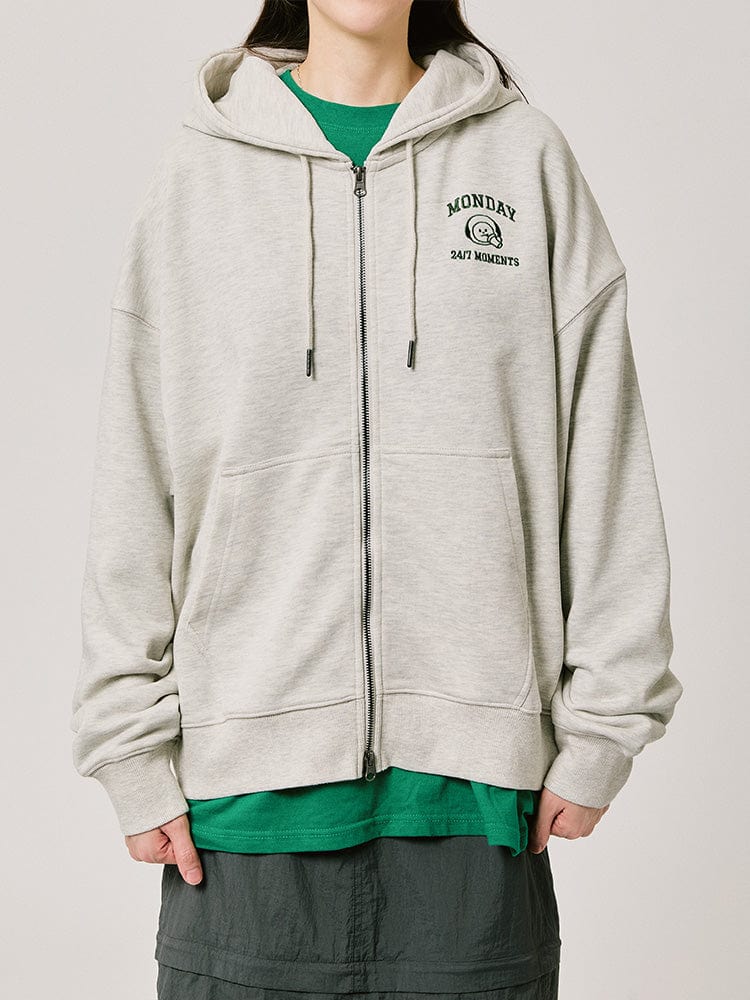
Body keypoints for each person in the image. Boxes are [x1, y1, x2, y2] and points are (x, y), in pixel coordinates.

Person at [69, 2, 684, 998]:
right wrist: (128, 749)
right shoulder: (200, 176)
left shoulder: (524, 159)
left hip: (474, 810)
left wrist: (607, 724)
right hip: (244, 813)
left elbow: (602, 451)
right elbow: (137, 471)